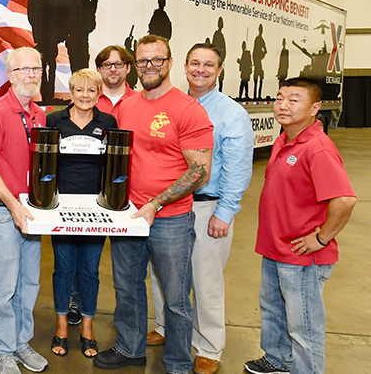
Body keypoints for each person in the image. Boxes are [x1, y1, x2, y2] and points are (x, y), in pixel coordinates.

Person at [94, 35, 213, 374]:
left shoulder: (187, 109)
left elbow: (200, 172)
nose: (149, 67)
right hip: (128, 215)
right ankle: (130, 349)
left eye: (156, 60)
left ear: (169, 63)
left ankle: (178, 361)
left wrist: (156, 203)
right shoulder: (128, 106)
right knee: (127, 287)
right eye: (143, 61)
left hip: (171, 220)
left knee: (176, 298)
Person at [146, 44, 254, 374]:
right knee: (163, 274)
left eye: (209, 65)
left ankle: (208, 345)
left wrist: (226, 212)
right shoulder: (174, 104)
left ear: (220, 70)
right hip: (171, 206)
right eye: (195, 63)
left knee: (205, 280)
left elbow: (238, 167)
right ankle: (166, 328)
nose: (201, 70)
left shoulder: (231, 113)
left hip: (208, 207)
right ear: (184, 66)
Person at [244, 78, 357, 374]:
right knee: (273, 311)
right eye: (280, 98)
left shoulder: (317, 148)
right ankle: (277, 359)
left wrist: (321, 238)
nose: (283, 105)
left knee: (303, 325)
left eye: (294, 100)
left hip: (301, 255)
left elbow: (344, 200)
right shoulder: (284, 139)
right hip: (275, 247)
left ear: (315, 108)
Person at [0, 47, 50, 374]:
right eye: (24, 70)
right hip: (4, 213)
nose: (31, 75)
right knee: (5, 285)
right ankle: (3, 349)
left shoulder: (39, 113)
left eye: (36, 69)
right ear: (10, 75)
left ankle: (22, 341)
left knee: (29, 283)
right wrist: (13, 206)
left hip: (32, 211)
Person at [46, 69, 117, 359]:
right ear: (71, 92)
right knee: (63, 268)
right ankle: (62, 325)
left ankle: (87, 326)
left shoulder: (108, 122)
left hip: (96, 210)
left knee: (89, 269)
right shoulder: (54, 121)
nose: (85, 96)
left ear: (98, 93)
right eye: (79, 90)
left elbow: (114, 166)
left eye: (91, 91)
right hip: (61, 208)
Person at [29, 0, 67, 104]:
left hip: (44, 34)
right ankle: (47, 95)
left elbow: (32, 14)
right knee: (50, 64)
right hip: (50, 35)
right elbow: (62, 12)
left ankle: (46, 95)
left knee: (45, 65)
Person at [95, 45, 137, 116]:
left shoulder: (140, 101)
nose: (113, 69)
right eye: (107, 64)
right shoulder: (85, 101)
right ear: (99, 69)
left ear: (128, 68)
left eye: (118, 64)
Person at [211, 17, 226, 92]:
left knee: (221, 77)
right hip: (217, 59)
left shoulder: (221, 35)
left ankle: (220, 91)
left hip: (221, 59)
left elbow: (224, 48)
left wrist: (223, 57)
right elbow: (214, 48)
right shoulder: (217, 34)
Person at [253, 24, 267, 100]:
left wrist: (261, 55)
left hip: (257, 62)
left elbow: (265, 50)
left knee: (259, 78)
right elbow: (255, 50)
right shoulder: (259, 39)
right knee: (257, 78)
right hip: (257, 62)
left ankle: (257, 95)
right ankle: (256, 95)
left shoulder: (260, 39)